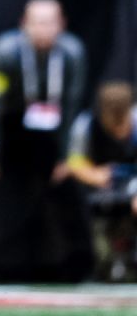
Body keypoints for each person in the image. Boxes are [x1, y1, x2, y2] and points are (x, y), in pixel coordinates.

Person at [0, 0, 91, 281]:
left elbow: (72, 105)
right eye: (37, 22)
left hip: (51, 131)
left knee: (70, 182)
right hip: (8, 126)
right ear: (24, 25)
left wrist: (67, 157)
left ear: (62, 25)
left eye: (50, 22)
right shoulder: (5, 51)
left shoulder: (72, 53)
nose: (44, 29)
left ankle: (81, 266)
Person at [67, 81, 137, 281]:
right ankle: (105, 266)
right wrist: (94, 175)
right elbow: (75, 161)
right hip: (104, 188)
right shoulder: (87, 124)